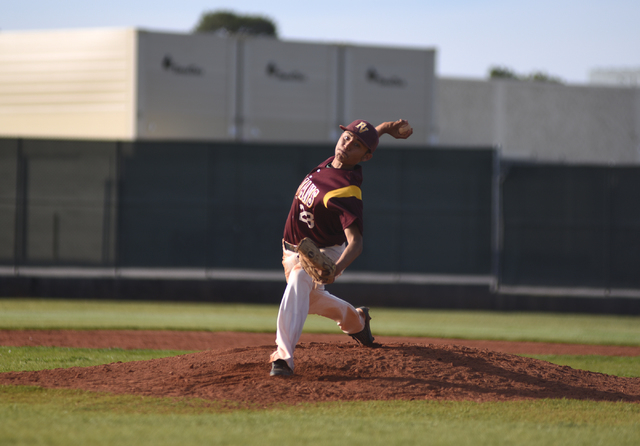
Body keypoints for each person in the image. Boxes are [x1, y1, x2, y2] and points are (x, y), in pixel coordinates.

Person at [269, 118, 413, 377]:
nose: (347, 145)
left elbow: (356, 243)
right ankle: (358, 322)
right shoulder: (331, 162)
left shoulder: (347, 190)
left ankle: (283, 357)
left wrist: (335, 269)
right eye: (346, 137)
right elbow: (360, 138)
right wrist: (381, 130)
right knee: (308, 299)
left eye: (356, 145)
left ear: (365, 157)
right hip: (290, 251)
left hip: (325, 251)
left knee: (302, 278)